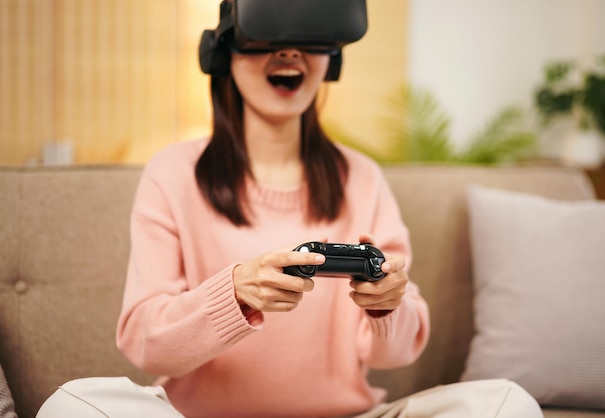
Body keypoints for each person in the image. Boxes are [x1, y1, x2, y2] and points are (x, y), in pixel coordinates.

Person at [37, 1, 543, 417]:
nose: (290, 52)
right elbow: (145, 344)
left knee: (507, 404)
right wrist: (234, 291)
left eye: (309, 41)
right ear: (221, 53)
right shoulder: (172, 173)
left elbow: (396, 353)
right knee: (71, 406)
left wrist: (389, 303)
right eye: (267, 39)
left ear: (333, 60)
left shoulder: (361, 178)